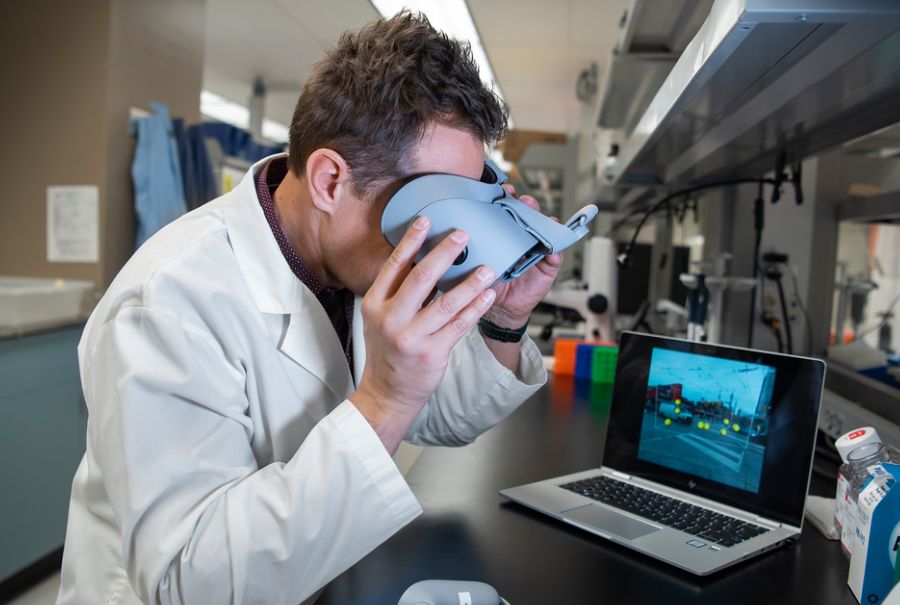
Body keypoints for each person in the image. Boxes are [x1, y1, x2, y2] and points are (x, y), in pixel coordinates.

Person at [57, 12, 560, 605]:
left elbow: (440, 419)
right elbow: (191, 584)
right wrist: (384, 399)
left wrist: (503, 318)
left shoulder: (354, 264)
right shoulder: (167, 303)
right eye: (433, 207)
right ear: (329, 181)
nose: (446, 240)